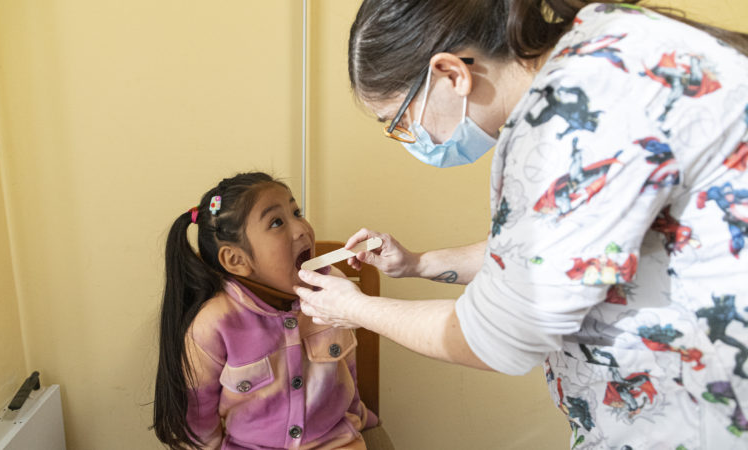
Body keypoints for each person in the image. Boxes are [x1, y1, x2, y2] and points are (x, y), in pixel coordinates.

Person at [295, 0, 748, 447]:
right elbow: (547, 255)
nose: (411, 140)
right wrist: (418, 263)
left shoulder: (572, 113)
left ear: (452, 74)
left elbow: (494, 338)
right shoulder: (603, 51)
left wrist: (354, 309)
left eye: (399, 122)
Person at [152, 172, 377, 449]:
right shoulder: (214, 324)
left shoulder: (334, 289)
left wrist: (358, 418)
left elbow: (347, 371)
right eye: (277, 222)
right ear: (236, 259)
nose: (301, 229)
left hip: (336, 441)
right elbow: (199, 418)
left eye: (297, 212)